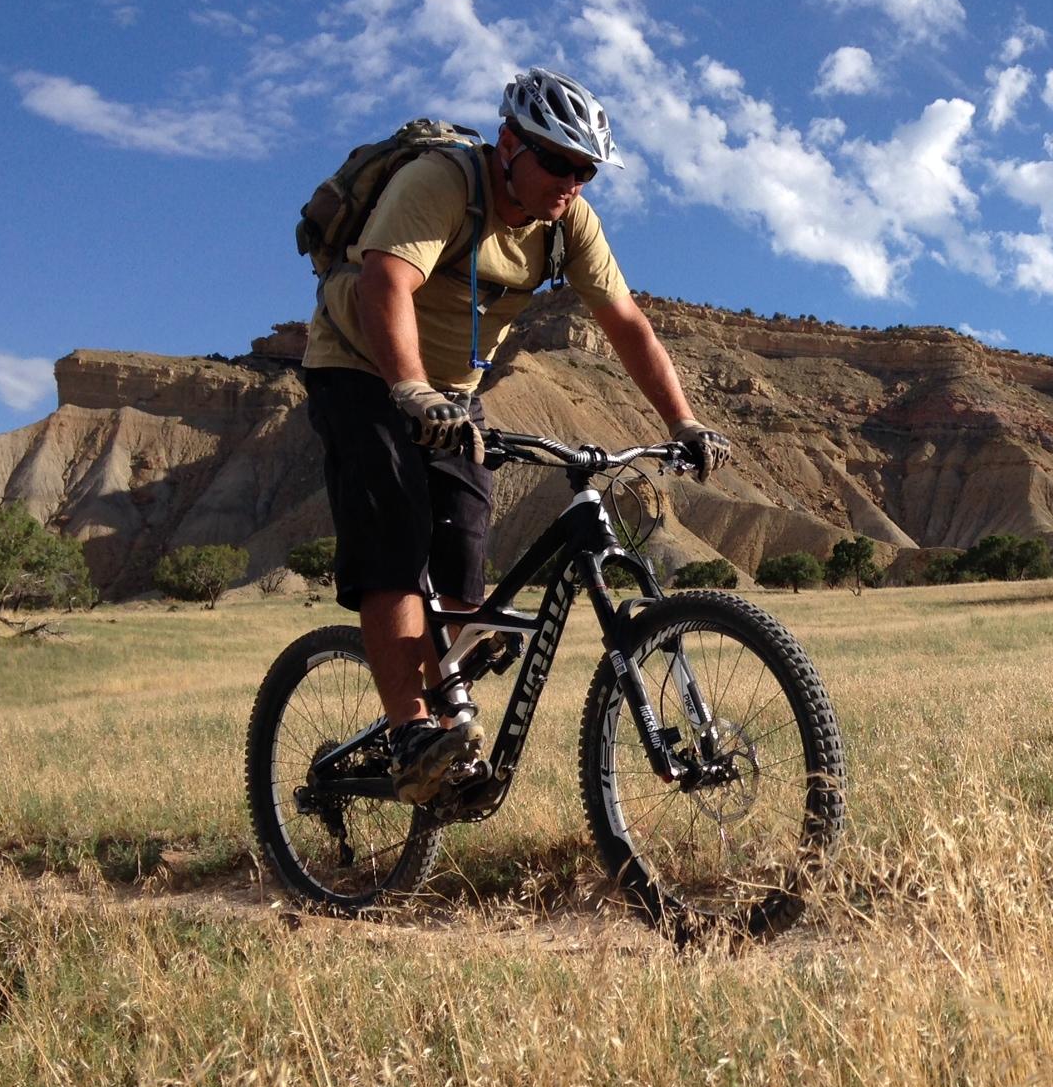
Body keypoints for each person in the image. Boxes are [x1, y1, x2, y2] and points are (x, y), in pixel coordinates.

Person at [300, 67, 731, 803]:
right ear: (509, 145)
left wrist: (681, 421)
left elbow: (627, 325)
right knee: (395, 540)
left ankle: (451, 729)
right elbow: (384, 284)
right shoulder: (441, 183)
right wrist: (408, 390)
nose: (572, 181)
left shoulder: (569, 225)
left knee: (466, 550)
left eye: (586, 170)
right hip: (362, 366)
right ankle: (412, 732)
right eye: (558, 162)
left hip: (452, 394)